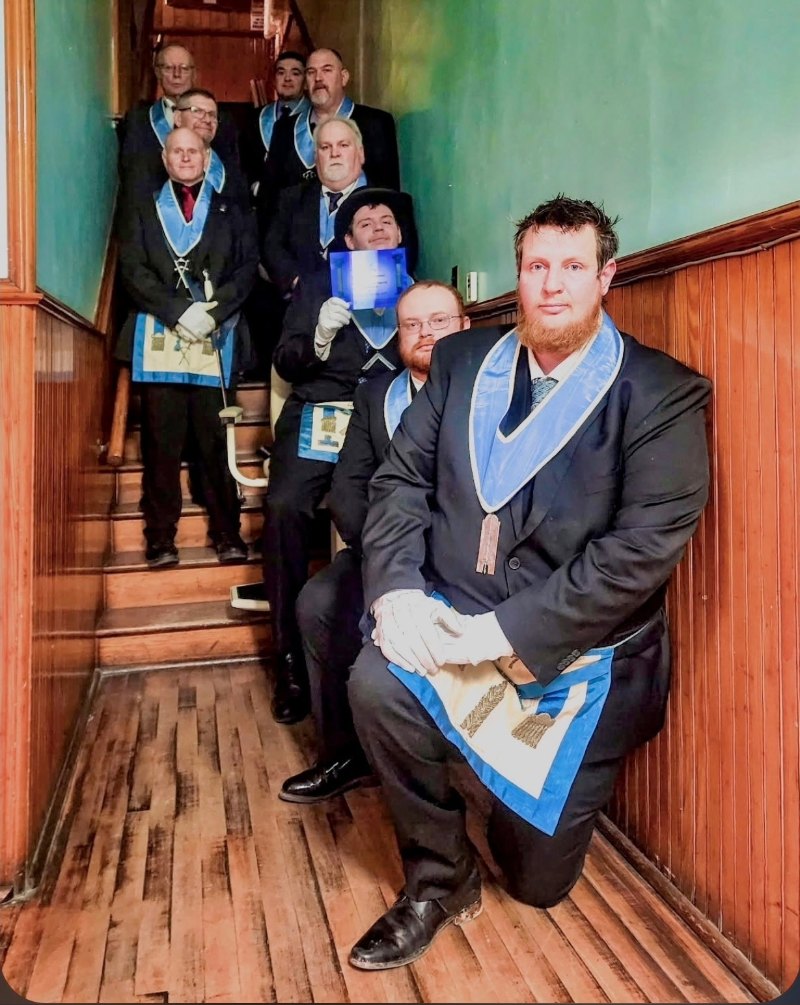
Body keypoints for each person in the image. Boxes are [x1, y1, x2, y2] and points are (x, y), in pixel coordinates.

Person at [346, 195, 712, 970]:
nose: (552, 284)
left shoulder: (661, 394)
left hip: (576, 662)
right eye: (537, 265)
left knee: (535, 881)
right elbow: (401, 482)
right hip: (457, 618)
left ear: (606, 277)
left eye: (573, 266)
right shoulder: (461, 362)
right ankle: (441, 875)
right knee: (374, 680)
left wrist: (499, 634)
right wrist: (396, 590)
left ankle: (502, 797)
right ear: (517, 274)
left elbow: (636, 555)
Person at [279, 282, 471, 804]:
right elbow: (348, 489)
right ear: (397, 334)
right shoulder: (374, 396)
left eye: (439, 321)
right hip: (384, 553)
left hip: (467, 562)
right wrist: (389, 562)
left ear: (464, 326)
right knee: (318, 602)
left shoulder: (491, 390)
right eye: (412, 325)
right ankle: (347, 753)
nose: (426, 333)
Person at [262, 186, 414, 725]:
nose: (377, 229)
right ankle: (288, 660)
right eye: (365, 224)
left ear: (399, 234)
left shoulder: (414, 292)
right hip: (320, 414)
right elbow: (286, 360)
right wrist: (320, 338)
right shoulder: (318, 287)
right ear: (348, 241)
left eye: (386, 221)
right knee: (283, 507)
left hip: (383, 420)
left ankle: (379, 645)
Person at [115, 127, 258, 568]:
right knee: (161, 443)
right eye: (176, 151)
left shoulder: (233, 209)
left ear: (206, 156)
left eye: (193, 150)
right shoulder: (141, 207)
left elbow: (246, 268)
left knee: (215, 439)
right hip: (160, 332)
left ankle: (227, 532)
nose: (185, 157)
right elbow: (133, 269)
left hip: (216, 333)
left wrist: (212, 313)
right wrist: (178, 312)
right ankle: (160, 537)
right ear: (165, 158)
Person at [256, 47, 399, 224]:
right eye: (311, 72)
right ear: (306, 82)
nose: (318, 78)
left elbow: (388, 194)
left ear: (344, 77)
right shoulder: (284, 129)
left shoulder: (375, 123)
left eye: (327, 70)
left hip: (356, 234)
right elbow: (268, 198)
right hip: (297, 235)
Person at [117, 47, 241, 217]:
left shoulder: (220, 121)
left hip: (212, 217)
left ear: (194, 74)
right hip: (154, 216)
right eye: (169, 68)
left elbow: (232, 173)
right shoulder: (138, 120)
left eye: (184, 68)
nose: (177, 75)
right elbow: (131, 178)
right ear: (157, 72)